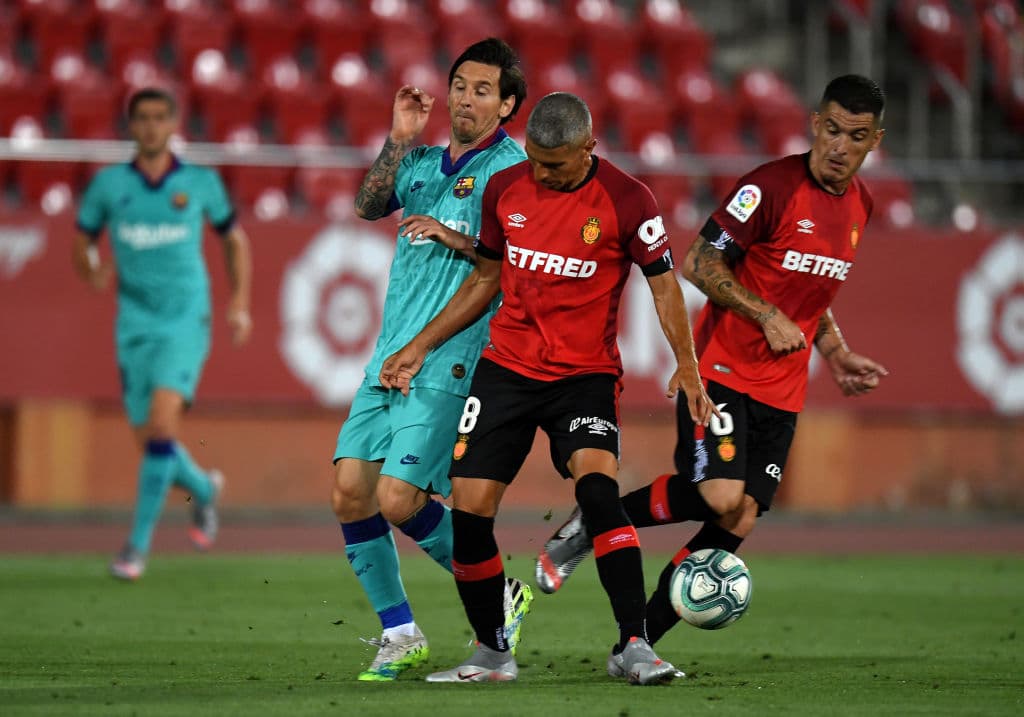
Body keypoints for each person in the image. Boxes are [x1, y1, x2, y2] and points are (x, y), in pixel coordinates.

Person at [535, 75, 890, 647]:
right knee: (721, 494)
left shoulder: (860, 206)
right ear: (814, 124)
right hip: (721, 370)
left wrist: (835, 350)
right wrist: (765, 314)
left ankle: (638, 644)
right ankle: (595, 518)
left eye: (855, 136)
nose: (838, 146)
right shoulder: (769, 189)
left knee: (740, 514)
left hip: (783, 389)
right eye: (831, 129)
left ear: (874, 141)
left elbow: (811, 291)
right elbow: (699, 262)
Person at [379, 91, 717, 685]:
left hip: (583, 377)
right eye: (534, 160)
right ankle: (492, 653)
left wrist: (687, 364)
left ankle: (634, 646)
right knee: (471, 513)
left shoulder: (629, 199)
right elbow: (486, 278)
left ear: (589, 148)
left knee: (599, 494)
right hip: (507, 368)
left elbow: (664, 284)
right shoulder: (505, 187)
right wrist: (420, 346)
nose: (540, 173)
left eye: (554, 165)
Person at [330, 38, 533, 682]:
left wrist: (453, 235)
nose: (466, 99)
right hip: (391, 353)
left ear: (507, 105)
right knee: (350, 492)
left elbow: (517, 263)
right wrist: (398, 138)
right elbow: (368, 205)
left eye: (483, 90)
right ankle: (400, 634)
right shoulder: (419, 163)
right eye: (460, 86)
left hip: (451, 357)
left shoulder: (512, 171)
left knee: (398, 498)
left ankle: (498, 591)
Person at [72, 87, 253, 581]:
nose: (151, 126)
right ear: (131, 125)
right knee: (151, 440)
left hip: (185, 320)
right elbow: (82, 240)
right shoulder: (108, 185)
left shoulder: (199, 182)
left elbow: (234, 240)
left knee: (160, 427)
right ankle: (205, 490)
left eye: (159, 117)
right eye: (142, 118)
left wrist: (239, 303)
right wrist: (89, 269)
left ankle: (135, 549)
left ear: (173, 124)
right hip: (134, 323)